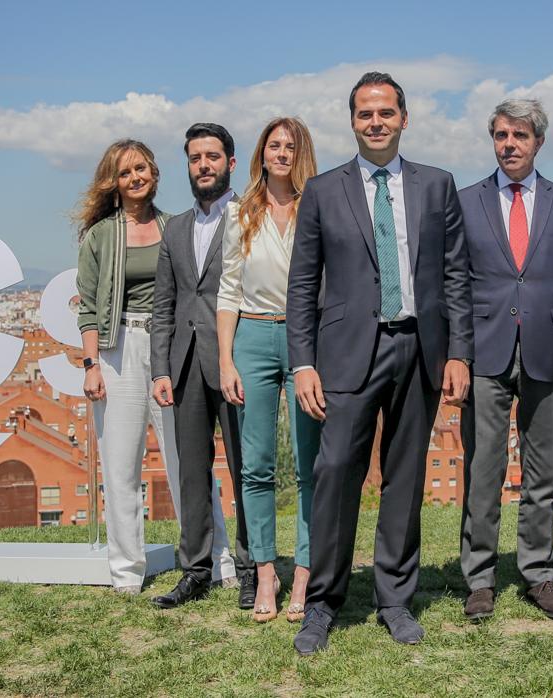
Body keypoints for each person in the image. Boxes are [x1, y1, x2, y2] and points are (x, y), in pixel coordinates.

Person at [286, 72, 473, 655]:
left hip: (418, 349)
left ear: (403, 118)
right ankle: (322, 603)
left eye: (386, 112)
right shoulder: (322, 189)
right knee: (335, 472)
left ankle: (395, 598)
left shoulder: (438, 186)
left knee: (405, 478)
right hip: (343, 355)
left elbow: (456, 276)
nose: (376, 122)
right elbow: (301, 285)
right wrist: (303, 363)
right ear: (352, 121)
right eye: (365, 113)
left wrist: (459, 353)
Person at [457, 99, 553, 622]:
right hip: (484, 355)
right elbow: (454, 286)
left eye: (519, 135)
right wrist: (456, 355)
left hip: (551, 353)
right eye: (500, 135)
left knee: (542, 474)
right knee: (483, 469)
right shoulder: (466, 201)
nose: (509, 144)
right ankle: (479, 580)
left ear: (539, 141)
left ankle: (539, 575)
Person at [75, 139, 235, 594]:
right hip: (117, 348)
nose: (135, 178)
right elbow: (87, 306)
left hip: (174, 345)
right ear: (115, 182)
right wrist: (91, 364)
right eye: (125, 173)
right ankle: (126, 571)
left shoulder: (176, 225)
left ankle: (214, 558)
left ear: (156, 173)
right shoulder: (100, 236)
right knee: (120, 465)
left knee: (188, 460)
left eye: (142, 168)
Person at [217, 117, 323, 623]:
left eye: (290, 146)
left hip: (308, 339)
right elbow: (227, 292)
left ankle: (304, 570)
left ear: (301, 153)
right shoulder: (241, 213)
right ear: (262, 153)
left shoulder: (320, 206)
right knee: (255, 465)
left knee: (310, 465)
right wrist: (225, 359)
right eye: (274, 145)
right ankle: (265, 572)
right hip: (253, 338)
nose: (281, 153)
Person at [150, 124, 257, 609]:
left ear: (230, 163)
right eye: (195, 158)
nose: (203, 166)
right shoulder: (174, 227)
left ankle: (254, 567)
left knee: (246, 468)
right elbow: (164, 305)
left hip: (236, 360)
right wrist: (160, 369)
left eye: (212, 157)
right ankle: (196, 570)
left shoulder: (251, 215)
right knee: (192, 473)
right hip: (185, 364)